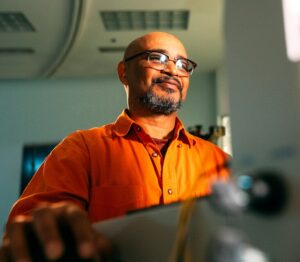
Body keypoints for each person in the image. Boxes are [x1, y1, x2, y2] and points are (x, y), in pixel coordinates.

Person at [0, 31, 229, 261]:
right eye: (157, 58)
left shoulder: (217, 160)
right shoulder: (81, 149)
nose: (172, 70)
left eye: (183, 64)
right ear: (123, 73)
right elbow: (30, 237)